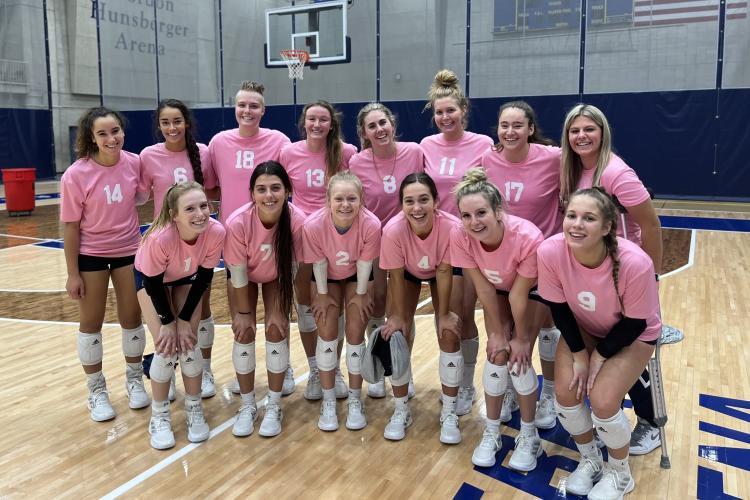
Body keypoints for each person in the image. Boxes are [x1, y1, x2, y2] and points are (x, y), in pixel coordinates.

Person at [537, 187, 660, 499]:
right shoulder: (550, 251)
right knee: (565, 394)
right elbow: (559, 308)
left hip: (632, 334)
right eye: (572, 216)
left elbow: (636, 322)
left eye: (588, 218)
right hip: (585, 327)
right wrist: (580, 353)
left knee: (604, 401)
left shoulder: (636, 263)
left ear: (607, 227)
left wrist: (600, 356)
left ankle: (619, 474)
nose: (576, 224)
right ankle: (590, 458)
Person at [559, 103, 666, 455]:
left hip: (623, 274)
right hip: (591, 274)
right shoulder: (572, 171)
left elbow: (650, 225)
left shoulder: (617, 173)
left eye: (589, 129)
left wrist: (652, 276)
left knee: (628, 344)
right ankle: (599, 412)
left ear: (603, 132)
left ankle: (649, 422)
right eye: (575, 130)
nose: (581, 136)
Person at [450, 168, 546, 472]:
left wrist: (520, 337)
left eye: (481, 213)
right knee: (496, 354)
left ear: (498, 211)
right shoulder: (460, 236)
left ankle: (530, 436)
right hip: (498, 292)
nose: (474, 222)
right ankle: (491, 430)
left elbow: (520, 295)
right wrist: (496, 333)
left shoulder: (527, 237)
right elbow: (483, 289)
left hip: (532, 293)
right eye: (466, 215)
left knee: (518, 359)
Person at [61, 106, 149, 422]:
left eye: (115, 131)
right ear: (91, 138)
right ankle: (96, 390)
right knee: (91, 322)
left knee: (131, 317)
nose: (111, 138)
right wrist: (73, 273)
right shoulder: (76, 174)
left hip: (128, 251)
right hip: (91, 255)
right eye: (102, 133)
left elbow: (142, 197)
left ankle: (135, 380)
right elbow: (70, 226)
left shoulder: (135, 163)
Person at [207, 81, 294, 395]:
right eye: (242, 105)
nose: (247, 111)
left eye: (254, 106)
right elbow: (211, 187)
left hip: (274, 240)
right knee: (241, 319)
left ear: (263, 110)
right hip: (236, 240)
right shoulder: (218, 143)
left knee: (276, 318)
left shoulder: (279, 141)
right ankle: (243, 376)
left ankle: (283, 366)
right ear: (235, 108)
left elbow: (285, 182)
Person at [480, 100, 562, 429]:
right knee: (509, 330)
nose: (510, 131)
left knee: (539, 328)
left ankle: (551, 392)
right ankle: (515, 387)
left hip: (542, 258)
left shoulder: (553, 158)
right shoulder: (488, 159)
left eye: (517, 125)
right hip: (504, 257)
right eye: (504, 125)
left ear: (530, 129)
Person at [421, 69, 494, 416]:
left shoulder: (482, 144)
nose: (445, 117)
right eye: (439, 112)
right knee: (442, 316)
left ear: (463, 110)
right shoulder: (426, 146)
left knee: (463, 316)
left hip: (467, 243)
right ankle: (450, 380)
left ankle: (465, 385)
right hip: (435, 243)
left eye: (451, 110)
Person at [134, 182, 224, 449]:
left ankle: (194, 408)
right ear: (174, 215)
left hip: (188, 279)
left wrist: (185, 320)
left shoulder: (215, 231)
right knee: (166, 346)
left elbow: (204, 277)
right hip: (152, 282)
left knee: (188, 343)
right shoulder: (160, 239)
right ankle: (159, 414)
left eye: (203, 206)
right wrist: (169, 322)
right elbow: (152, 284)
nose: (200, 214)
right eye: (190, 209)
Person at [139, 98, 219, 399]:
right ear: (159, 126)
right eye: (165, 122)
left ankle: (205, 369)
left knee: (198, 312)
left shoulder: (203, 152)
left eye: (177, 121)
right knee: (164, 325)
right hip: (164, 244)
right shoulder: (148, 156)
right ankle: (165, 372)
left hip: (195, 242)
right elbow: (141, 195)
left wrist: (205, 222)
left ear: (187, 123)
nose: (172, 127)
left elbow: (210, 190)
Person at [279, 100, 357, 401]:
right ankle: (315, 369)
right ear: (304, 122)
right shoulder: (288, 153)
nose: (316, 124)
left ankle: (333, 368)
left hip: (337, 241)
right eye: (311, 119)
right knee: (307, 309)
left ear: (331, 123)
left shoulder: (346, 153)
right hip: (300, 240)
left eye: (322, 119)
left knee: (332, 309)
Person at [378, 173, 462, 442]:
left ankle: (449, 411)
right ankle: (401, 409)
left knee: (448, 332)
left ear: (436, 201)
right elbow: (396, 277)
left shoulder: (451, 228)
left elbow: (445, 271)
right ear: (401, 205)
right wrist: (396, 317)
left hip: (442, 272)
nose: (417, 208)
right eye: (409, 201)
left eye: (424, 200)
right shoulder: (392, 231)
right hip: (407, 275)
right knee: (397, 335)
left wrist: (445, 313)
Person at [223, 162, 304, 438]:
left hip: (277, 277)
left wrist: (281, 310)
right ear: (252, 194)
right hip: (243, 276)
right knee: (244, 330)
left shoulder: (297, 221)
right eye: (261, 189)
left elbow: (292, 269)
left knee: (276, 328)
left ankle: (274, 404)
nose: (269, 195)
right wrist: (243, 312)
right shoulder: (237, 223)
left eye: (275, 188)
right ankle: (247, 405)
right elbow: (238, 274)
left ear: (287, 190)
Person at [350, 102, 425, 398]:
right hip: (376, 245)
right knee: (377, 306)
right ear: (364, 133)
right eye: (372, 126)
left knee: (403, 312)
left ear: (392, 124)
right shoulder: (356, 162)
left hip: (410, 243)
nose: (379, 129)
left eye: (383, 123)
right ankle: (380, 365)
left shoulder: (414, 152)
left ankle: (402, 369)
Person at [303, 171, 381, 431]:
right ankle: (328, 401)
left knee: (356, 331)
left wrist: (360, 294)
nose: (345, 204)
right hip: (327, 278)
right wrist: (322, 295)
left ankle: (355, 399)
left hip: (357, 277)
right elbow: (318, 263)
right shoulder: (313, 225)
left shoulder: (371, 224)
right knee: (326, 330)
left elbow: (365, 263)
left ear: (361, 201)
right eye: (339, 199)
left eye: (352, 198)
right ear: (328, 200)